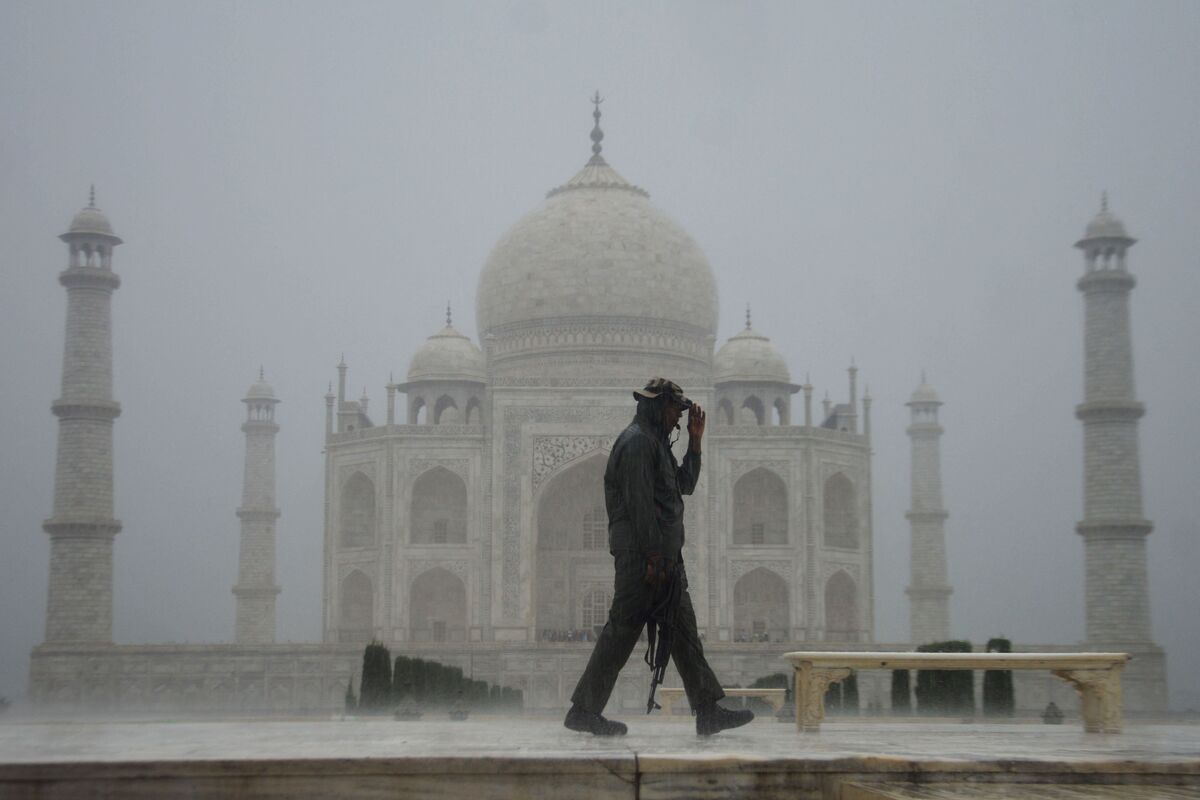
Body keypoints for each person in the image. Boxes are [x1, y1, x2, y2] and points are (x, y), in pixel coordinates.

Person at [564, 378, 755, 737]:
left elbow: (684, 485)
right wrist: (653, 555)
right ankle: (584, 710)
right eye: (673, 410)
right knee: (621, 632)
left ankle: (708, 709)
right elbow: (639, 505)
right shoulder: (637, 442)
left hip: (663, 557)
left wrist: (695, 444)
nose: (678, 419)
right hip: (644, 559)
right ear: (657, 406)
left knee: (683, 632)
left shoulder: (655, 443)